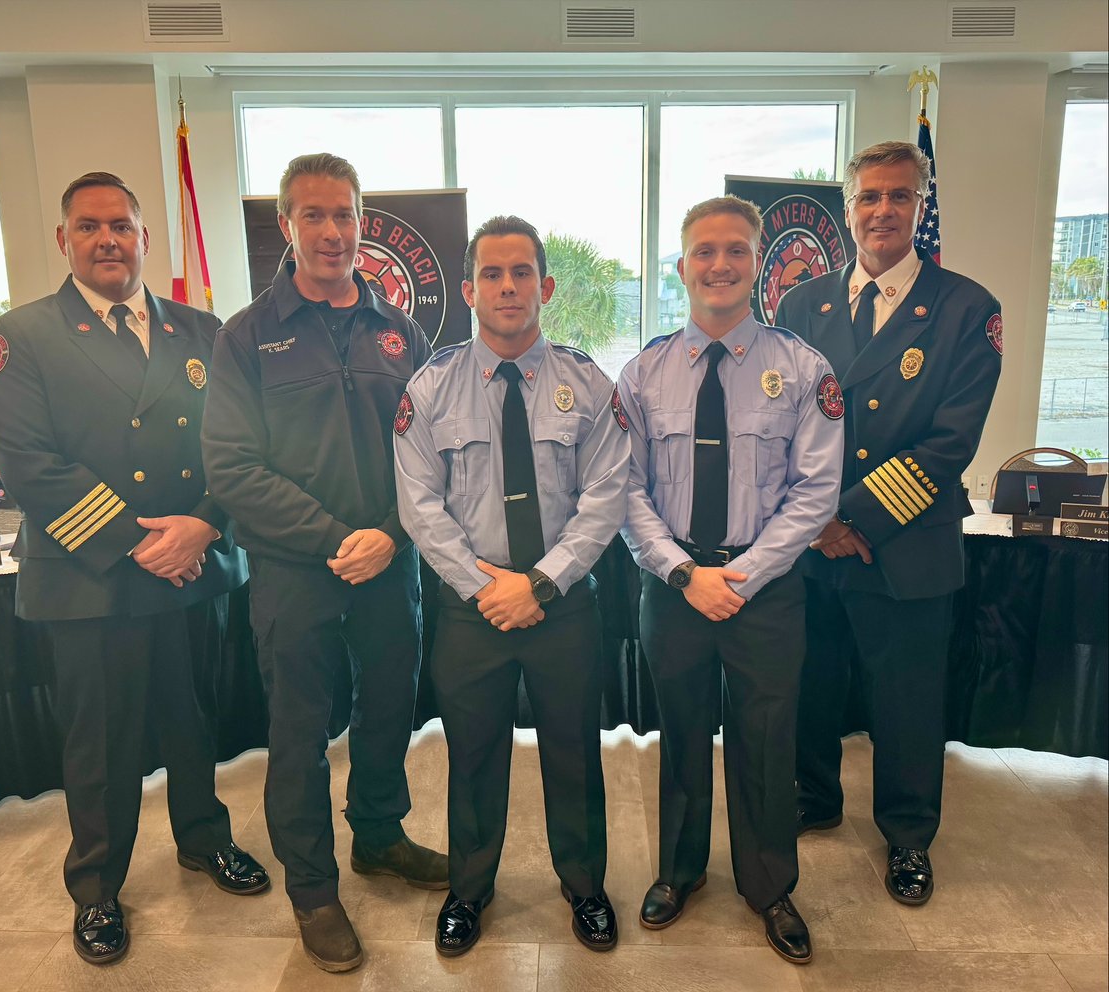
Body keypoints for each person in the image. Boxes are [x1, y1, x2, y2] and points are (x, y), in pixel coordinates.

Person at [0, 172, 269, 966]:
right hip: (93, 576)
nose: (107, 239)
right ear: (66, 241)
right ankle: (98, 887)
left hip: (195, 568)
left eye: (121, 226)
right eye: (90, 226)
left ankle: (204, 839)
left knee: (193, 721)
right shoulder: (27, 333)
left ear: (146, 239)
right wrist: (143, 544)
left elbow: (241, 443)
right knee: (99, 744)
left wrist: (206, 524)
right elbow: (28, 463)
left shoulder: (202, 330)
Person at [200, 153, 444, 974]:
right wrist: (336, 539)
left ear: (361, 221)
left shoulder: (400, 331)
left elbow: (430, 456)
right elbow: (231, 468)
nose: (333, 231)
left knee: (387, 712)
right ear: (286, 225)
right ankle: (312, 888)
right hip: (295, 573)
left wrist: (388, 536)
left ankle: (377, 835)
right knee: (298, 735)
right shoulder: (244, 337)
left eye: (345, 214)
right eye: (315, 215)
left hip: (390, 564)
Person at [393, 215, 630, 958]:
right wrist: (483, 587)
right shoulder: (429, 387)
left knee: (573, 751)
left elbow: (606, 497)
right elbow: (418, 506)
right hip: (472, 612)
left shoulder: (587, 383)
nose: (506, 286)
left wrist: (544, 585)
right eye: (491, 274)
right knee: (474, 753)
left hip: (563, 608)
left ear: (545, 286)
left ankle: (585, 885)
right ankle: (470, 889)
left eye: (520, 272)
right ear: (467, 289)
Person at [775, 141, 1002, 907]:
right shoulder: (804, 305)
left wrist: (849, 517)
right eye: (869, 197)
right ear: (848, 210)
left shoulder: (968, 310)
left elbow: (950, 444)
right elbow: (777, 422)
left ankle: (908, 836)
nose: (883, 211)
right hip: (812, 547)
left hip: (904, 545)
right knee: (812, 680)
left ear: (920, 205)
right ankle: (816, 795)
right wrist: (815, 524)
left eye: (899, 196)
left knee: (907, 699)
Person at [617, 195, 843, 964]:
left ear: (758, 265)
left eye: (737, 250)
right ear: (681, 267)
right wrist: (685, 573)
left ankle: (770, 884)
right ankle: (679, 873)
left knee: (766, 740)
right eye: (704, 252)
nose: (719, 264)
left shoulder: (803, 369)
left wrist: (739, 575)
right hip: (674, 585)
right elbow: (624, 489)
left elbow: (815, 492)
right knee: (680, 734)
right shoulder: (643, 373)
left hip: (765, 590)